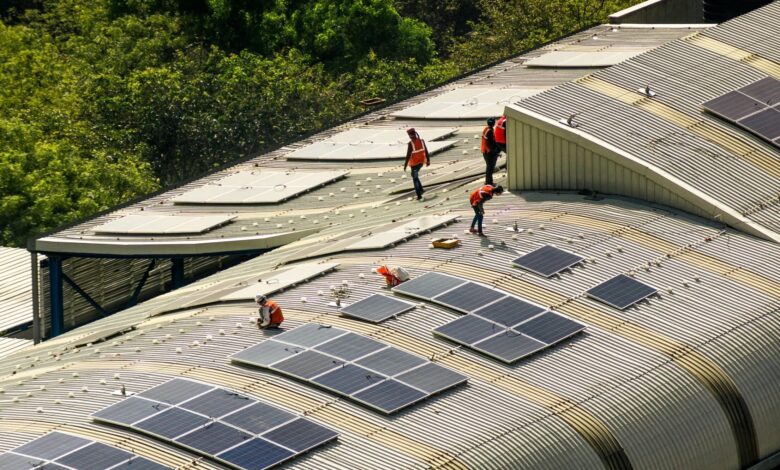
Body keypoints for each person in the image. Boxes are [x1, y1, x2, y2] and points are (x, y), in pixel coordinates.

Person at [403, 128, 430, 201]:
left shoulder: (410, 144)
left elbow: (408, 155)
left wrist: (405, 165)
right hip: (421, 162)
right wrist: (428, 160)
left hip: (415, 163)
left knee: (414, 178)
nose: (410, 137)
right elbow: (426, 151)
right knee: (414, 176)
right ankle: (421, 189)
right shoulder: (421, 141)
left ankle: (419, 196)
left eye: (410, 135)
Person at [481, 118, 498, 185]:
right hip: (488, 152)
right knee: (490, 168)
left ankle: (489, 182)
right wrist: (494, 152)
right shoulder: (490, 131)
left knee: (489, 167)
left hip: (484, 151)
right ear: (493, 123)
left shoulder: (486, 129)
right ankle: (489, 183)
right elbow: (491, 144)